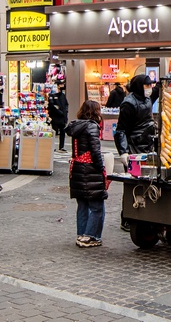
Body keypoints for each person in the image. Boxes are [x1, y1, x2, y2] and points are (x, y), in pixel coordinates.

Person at [66, 99, 108, 247]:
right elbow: (95, 152)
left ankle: (81, 234)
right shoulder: (92, 127)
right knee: (97, 206)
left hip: (77, 168)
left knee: (82, 205)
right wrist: (102, 168)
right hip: (90, 171)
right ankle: (91, 236)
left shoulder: (76, 126)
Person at [113, 73, 156, 155]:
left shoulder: (147, 98)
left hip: (147, 143)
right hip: (133, 145)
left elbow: (159, 87)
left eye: (151, 85)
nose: (150, 88)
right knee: (136, 167)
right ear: (139, 86)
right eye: (147, 86)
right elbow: (121, 130)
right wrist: (123, 152)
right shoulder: (128, 104)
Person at [48, 84, 70, 153]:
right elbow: (52, 106)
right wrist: (59, 112)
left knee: (62, 132)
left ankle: (61, 146)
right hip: (55, 117)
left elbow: (66, 104)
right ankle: (53, 146)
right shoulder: (51, 96)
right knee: (54, 132)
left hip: (62, 117)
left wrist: (65, 112)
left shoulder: (62, 95)